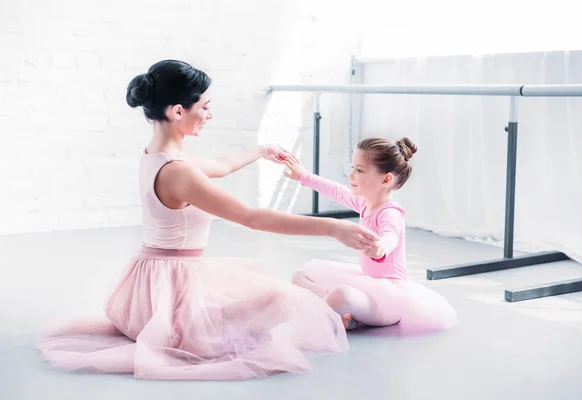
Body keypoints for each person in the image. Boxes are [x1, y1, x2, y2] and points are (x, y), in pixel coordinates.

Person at [37, 60, 380, 381]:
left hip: (147, 288)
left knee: (254, 286)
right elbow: (252, 218)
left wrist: (261, 151)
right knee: (280, 300)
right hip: (171, 301)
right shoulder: (178, 173)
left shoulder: (155, 157)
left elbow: (221, 164)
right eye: (204, 106)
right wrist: (334, 227)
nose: (209, 114)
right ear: (177, 111)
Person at [283, 137, 457, 334]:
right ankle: (342, 316)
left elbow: (391, 235)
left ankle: (333, 315)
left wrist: (382, 246)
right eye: (352, 168)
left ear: (385, 179)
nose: (350, 175)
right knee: (300, 276)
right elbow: (337, 191)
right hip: (366, 282)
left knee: (342, 295)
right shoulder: (364, 203)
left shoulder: (390, 211)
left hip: (389, 297)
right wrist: (303, 176)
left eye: (359, 170)